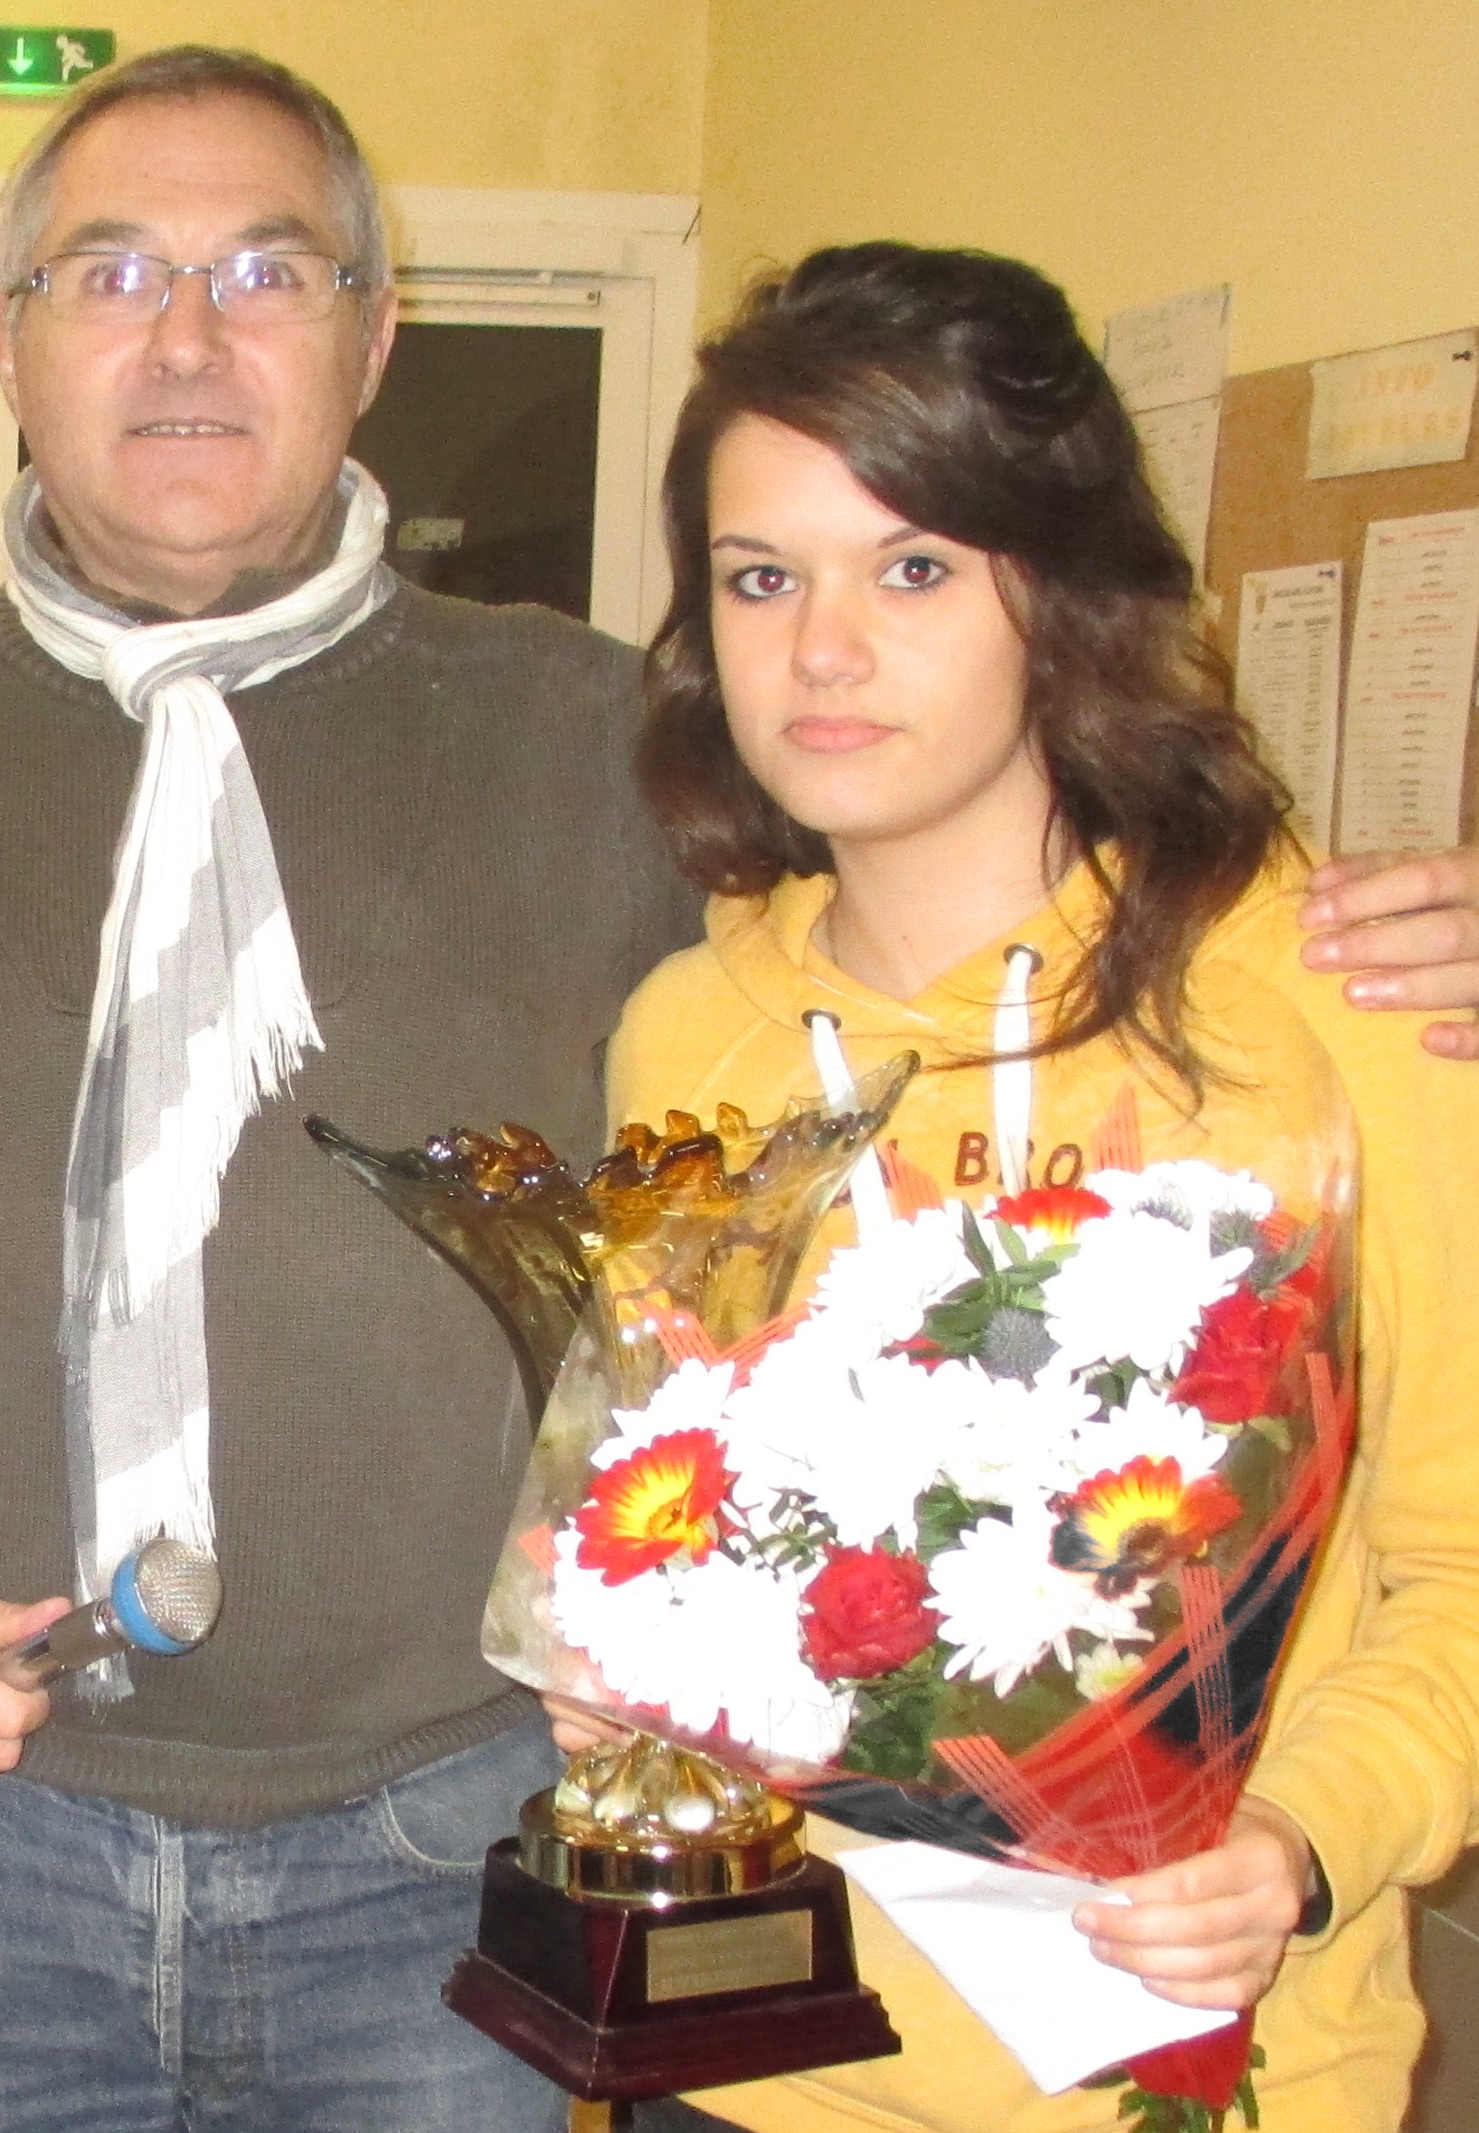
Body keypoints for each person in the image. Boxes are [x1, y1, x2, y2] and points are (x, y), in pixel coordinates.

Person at [0, 44, 1479, 2133]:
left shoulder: (602, 752)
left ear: (371, 335)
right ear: (3, 335)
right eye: (109, 270)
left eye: (266, 270)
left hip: (449, 1847)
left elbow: (999, 916)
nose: (186, 336)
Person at [592, 242, 1479, 2133]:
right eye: (764, 577)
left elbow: (1462, 1560)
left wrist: (1308, 1840)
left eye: (913, 567)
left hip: (1195, 2068)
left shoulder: (1346, 1004)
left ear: (1062, 598)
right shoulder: (686, 1042)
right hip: (757, 2075)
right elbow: (684, 1529)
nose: (822, 649)